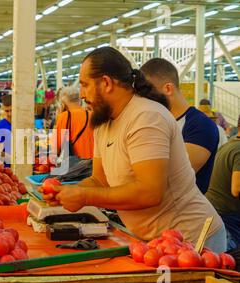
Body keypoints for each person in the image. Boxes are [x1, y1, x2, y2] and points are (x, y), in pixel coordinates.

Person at [48, 47, 225, 252]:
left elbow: (149, 192)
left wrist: (84, 197)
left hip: (193, 239)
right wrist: (67, 192)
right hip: (156, 241)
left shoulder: (146, 117)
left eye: (85, 85)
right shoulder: (104, 123)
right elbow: (99, 180)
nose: (82, 94)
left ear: (106, 83)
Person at [140, 59, 219, 194]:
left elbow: (175, 176)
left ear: (168, 89)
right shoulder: (153, 121)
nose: (145, 99)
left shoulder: (201, 125)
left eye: (148, 93)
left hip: (188, 212)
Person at [206, 115, 240, 250]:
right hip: (228, 218)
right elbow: (237, 188)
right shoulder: (238, 150)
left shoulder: (229, 145)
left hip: (215, 213)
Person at [54, 85, 94, 159]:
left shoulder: (64, 117)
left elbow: (57, 147)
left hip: (75, 165)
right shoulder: (91, 115)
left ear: (63, 102)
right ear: (80, 100)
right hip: (93, 163)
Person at [0, 95, 12, 165]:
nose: (10, 114)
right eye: (7, 111)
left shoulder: (22, 124)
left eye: (12, 110)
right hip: (6, 168)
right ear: (3, 109)